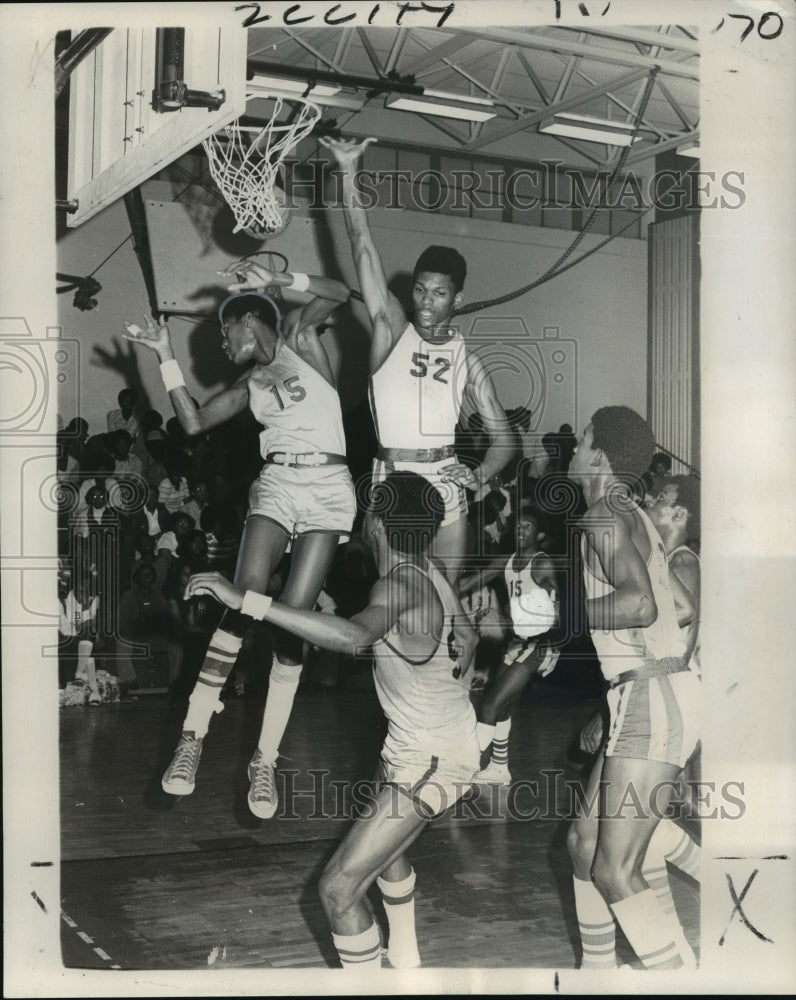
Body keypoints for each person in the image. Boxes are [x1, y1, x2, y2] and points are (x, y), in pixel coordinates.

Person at [183, 471, 480, 970]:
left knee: (338, 889)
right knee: (387, 856)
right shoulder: (430, 571)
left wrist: (248, 602)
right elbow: (466, 637)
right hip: (424, 743)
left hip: (431, 756)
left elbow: (352, 639)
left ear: (377, 523)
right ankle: (406, 962)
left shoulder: (401, 584)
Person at [123, 262, 356, 819]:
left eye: (224, 333)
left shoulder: (303, 340)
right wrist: (164, 354)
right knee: (245, 595)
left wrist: (279, 281)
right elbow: (196, 423)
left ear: (249, 322)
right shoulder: (249, 385)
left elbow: (343, 294)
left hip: (327, 487)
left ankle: (265, 761)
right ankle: (192, 736)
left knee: (292, 621)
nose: (222, 345)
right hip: (277, 483)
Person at [321, 135, 514, 583]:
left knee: (443, 604)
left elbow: (505, 441)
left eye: (440, 293)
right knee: (397, 603)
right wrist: (349, 171)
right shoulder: (391, 330)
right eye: (420, 290)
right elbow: (362, 245)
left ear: (458, 298)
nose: (426, 302)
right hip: (393, 478)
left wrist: (480, 472)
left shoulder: (469, 361)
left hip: (446, 483)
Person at [565, 406, 700, 971]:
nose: (571, 450)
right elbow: (674, 606)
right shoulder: (626, 511)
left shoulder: (603, 512)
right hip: (645, 692)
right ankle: (596, 976)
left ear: (598, 453)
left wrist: (557, 613)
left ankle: (682, 980)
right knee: (583, 844)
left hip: (652, 695)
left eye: (580, 441)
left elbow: (639, 605)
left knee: (615, 869)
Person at [459, 502, 560, 784]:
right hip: (518, 642)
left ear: (538, 536)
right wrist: (435, 589)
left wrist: (549, 612)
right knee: (501, 708)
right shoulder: (507, 561)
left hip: (541, 644)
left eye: (528, 527)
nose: (521, 530)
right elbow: (469, 584)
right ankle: (499, 769)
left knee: (489, 706)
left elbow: (560, 606)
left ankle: (463, 768)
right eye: (518, 525)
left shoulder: (541, 563)